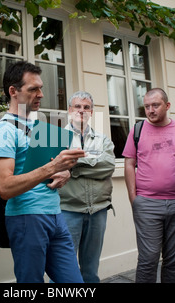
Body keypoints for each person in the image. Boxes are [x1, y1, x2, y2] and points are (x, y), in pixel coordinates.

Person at [0, 61, 85, 283]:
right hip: (26, 218)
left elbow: (46, 170)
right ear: (13, 91)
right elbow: (5, 187)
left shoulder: (38, 127)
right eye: (33, 89)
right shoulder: (4, 130)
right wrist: (52, 167)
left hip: (55, 214)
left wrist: (63, 173)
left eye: (41, 88)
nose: (41, 94)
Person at [123, 88, 175, 283]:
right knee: (148, 258)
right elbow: (129, 164)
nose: (150, 110)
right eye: (147, 106)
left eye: (155, 105)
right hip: (147, 204)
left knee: (174, 259)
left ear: (167, 106)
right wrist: (133, 198)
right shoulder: (137, 130)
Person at [58, 91, 115, 283]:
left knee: (90, 271)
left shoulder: (103, 139)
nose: (81, 111)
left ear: (92, 111)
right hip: (68, 210)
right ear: (69, 110)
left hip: (98, 211)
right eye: (77, 106)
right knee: (63, 270)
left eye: (86, 107)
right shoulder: (55, 138)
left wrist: (75, 166)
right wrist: (91, 161)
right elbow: (54, 168)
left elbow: (108, 166)